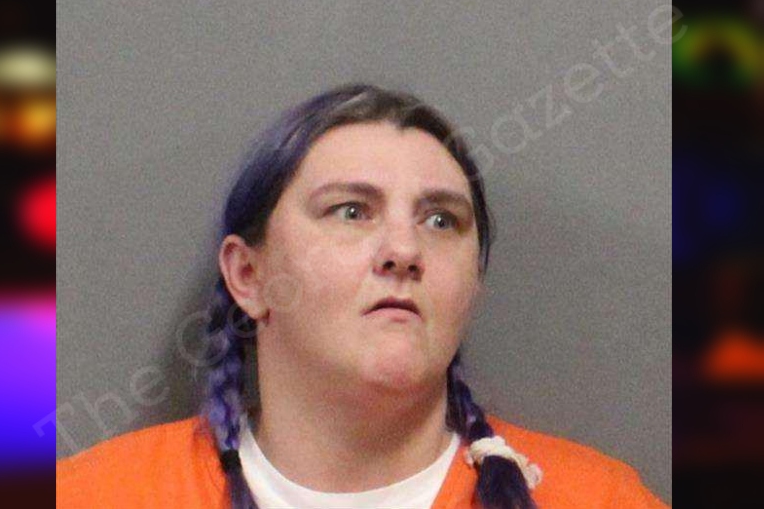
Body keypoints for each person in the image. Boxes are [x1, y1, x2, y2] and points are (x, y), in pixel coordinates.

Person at [56, 84, 668, 508]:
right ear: (248, 276)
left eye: (441, 221)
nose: (404, 250)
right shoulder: (95, 496)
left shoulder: (599, 500)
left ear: (473, 285)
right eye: (351, 211)